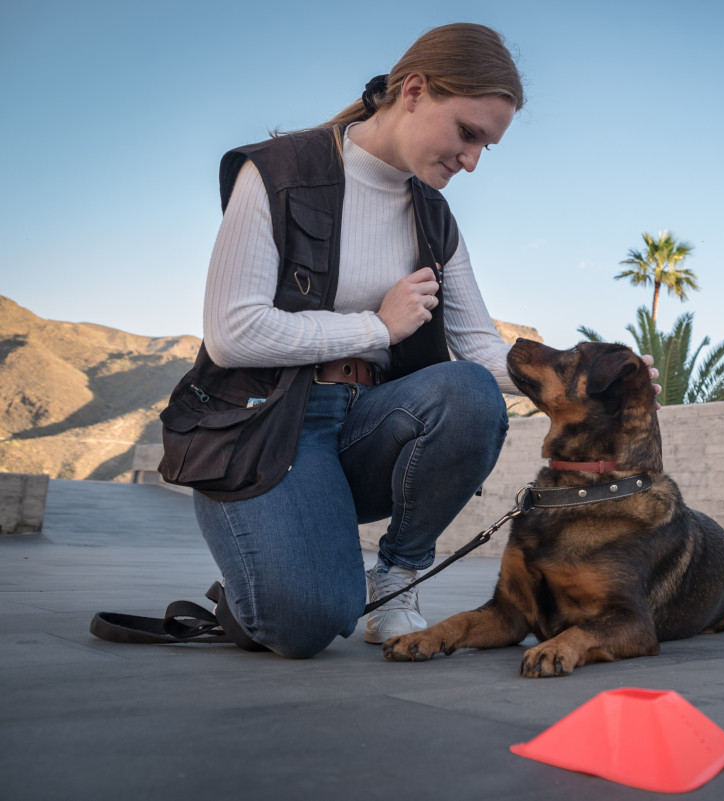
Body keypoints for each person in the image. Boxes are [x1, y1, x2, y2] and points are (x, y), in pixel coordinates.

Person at [191, 23, 527, 658]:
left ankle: (398, 573)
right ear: (415, 90)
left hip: (369, 420)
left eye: (487, 146)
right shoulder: (277, 172)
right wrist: (377, 326)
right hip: (266, 432)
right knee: (308, 624)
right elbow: (232, 333)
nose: (473, 160)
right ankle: (264, 563)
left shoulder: (434, 215)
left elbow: (481, 351)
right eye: (467, 133)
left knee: (471, 392)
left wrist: (589, 372)